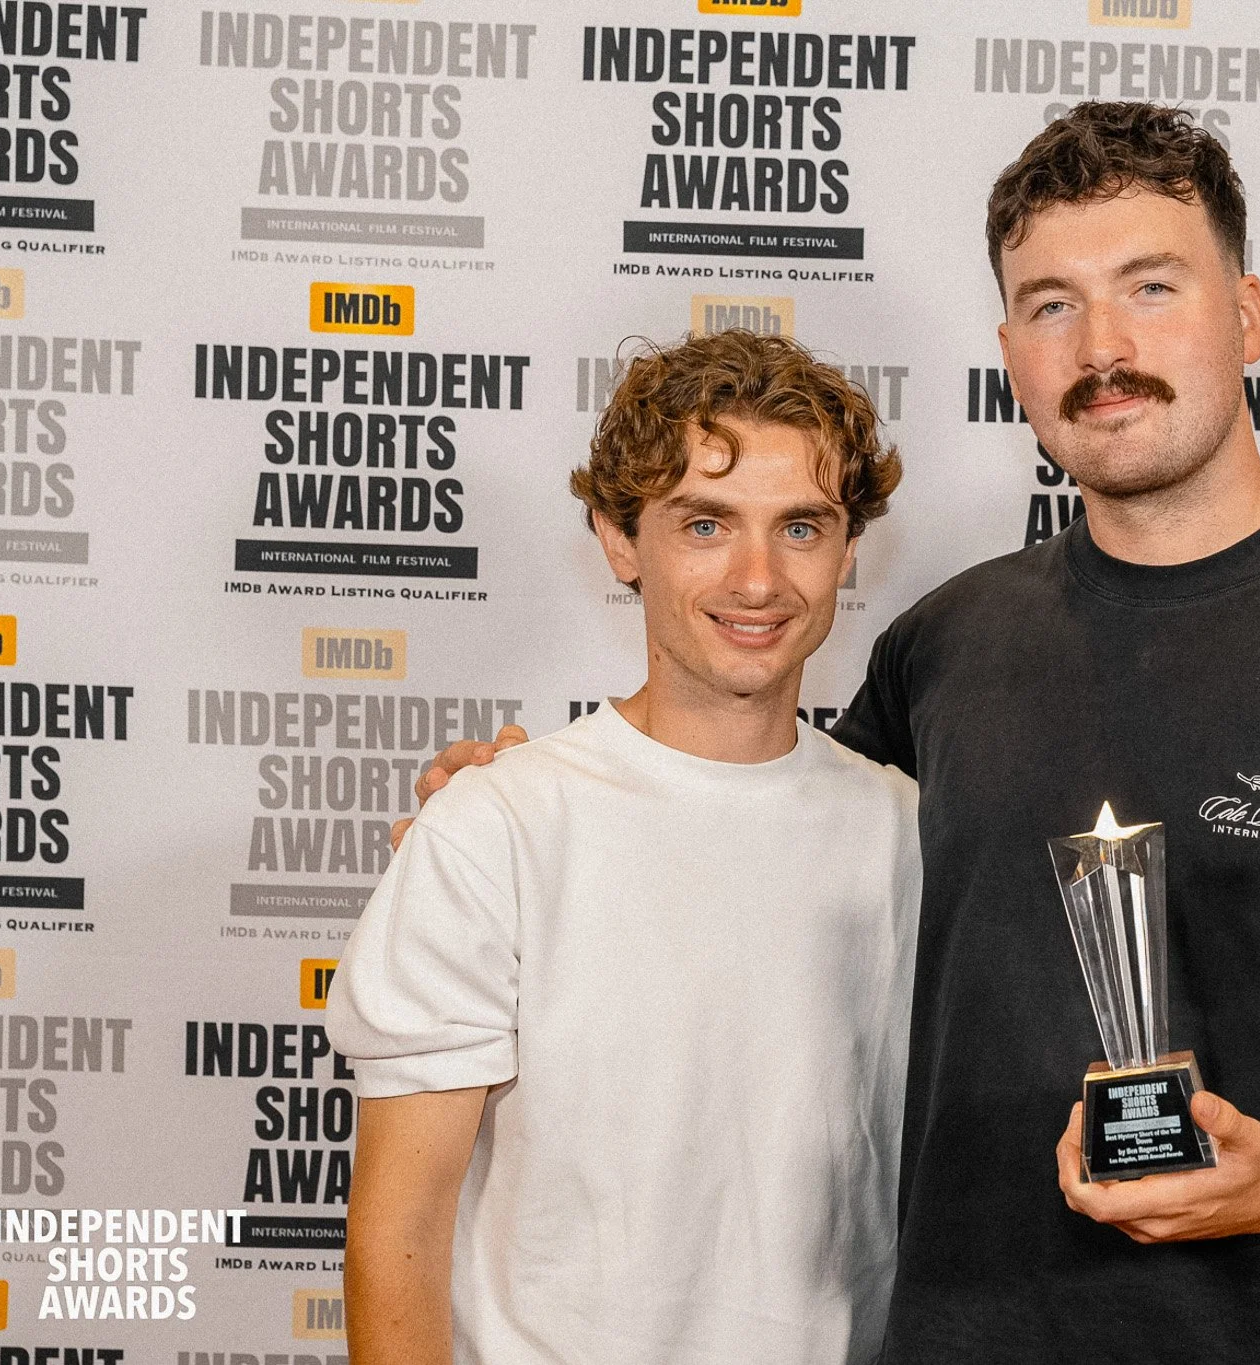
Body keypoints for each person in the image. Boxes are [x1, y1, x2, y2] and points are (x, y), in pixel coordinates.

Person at [403, 103, 1260, 1363]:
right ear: (1008, 347)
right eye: (1051, 305)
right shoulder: (947, 646)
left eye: (1150, 287)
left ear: (1247, 316)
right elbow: (762, 830)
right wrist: (532, 802)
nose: (1102, 347)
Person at [328, 329, 919, 1365]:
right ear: (617, 538)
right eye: (704, 523)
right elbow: (397, 1233)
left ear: (847, 548)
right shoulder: (496, 827)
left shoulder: (907, 831)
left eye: (800, 528)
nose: (757, 578)